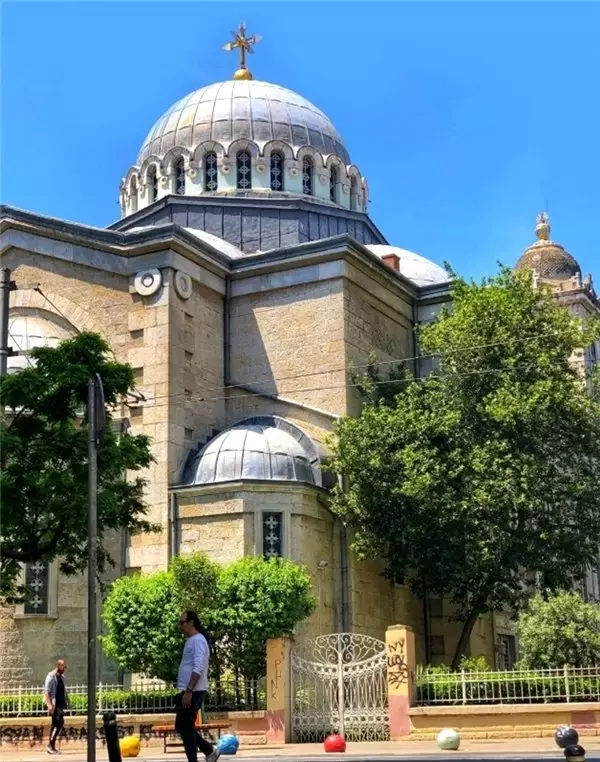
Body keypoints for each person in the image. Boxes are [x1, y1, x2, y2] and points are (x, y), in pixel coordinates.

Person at [176, 610, 220, 762]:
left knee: (186, 728)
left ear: (191, 623)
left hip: (194, 691)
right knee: (182, 727)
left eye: (182, 622)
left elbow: (198, 667)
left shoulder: (198, 640)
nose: (180, 626)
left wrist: (189, 691)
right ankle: (210, 751)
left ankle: (199, 757)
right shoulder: (191, 640)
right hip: (187, 690)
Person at [43, 659, 68, 755]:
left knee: (56, 724)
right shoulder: (51, 677)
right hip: (55, 705)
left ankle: (51, 746)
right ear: (58, 666)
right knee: (59, 723)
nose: (64, 669)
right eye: (63, 667)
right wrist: (49, 705)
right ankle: (50, 745)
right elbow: (46, 692)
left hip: (60, 704)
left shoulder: (62, 677)